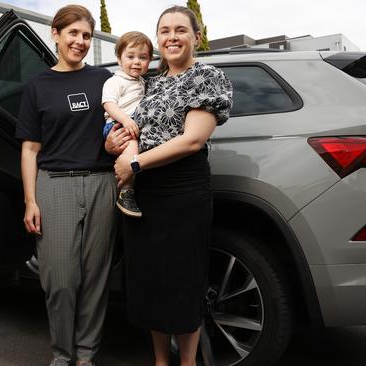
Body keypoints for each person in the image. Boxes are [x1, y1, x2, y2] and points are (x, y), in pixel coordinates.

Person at [108, 6, 233, 366]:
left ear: (197, 35)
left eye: (180, 30)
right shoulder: (152, 82)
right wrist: (113, 145)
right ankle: (161, 361)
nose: (171, 37)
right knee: (150, 283)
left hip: (183, 190)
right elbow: (129, 130)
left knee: (182, 281)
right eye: (164, 31)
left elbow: (192, 141)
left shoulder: (206, 77)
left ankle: (188, 362)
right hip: (143, 194)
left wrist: (133, 163)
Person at [15, 5, 117, 366]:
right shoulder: (37, 86)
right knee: (59, 279)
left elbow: (120, 124)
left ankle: (86, 354)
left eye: (86, 35)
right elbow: (29, 149)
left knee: (94, 277)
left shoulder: (104, 80)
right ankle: (62, 354)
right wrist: (30, 200)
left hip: (102, 184)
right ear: (55, 35)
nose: (80, 41)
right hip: (54, 186)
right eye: (73, 33)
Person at [101, 31, 153, 217]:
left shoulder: (142, 82)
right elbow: (108, 104)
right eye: (130, 56)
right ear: (119, 59)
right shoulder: (115, 81)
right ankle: (125, 191)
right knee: (132, 151)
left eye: (143, 57)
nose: (136, 61)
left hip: (130, 125)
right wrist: (125, 119)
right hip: (117, 125)